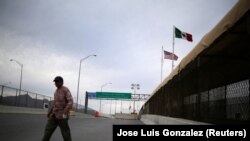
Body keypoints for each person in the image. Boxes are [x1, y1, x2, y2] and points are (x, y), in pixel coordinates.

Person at [42, 76, 73, 141]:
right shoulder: (55, 92)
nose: (56, 83)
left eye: (57, 81)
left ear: (62, 82)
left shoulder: (65, 90)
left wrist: (65, 111)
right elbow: (55, 104)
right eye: (55, 82)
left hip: (62, 116)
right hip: (54, 115)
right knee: (48, 130)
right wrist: (50, 112)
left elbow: (70, 101)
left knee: (65, 133)